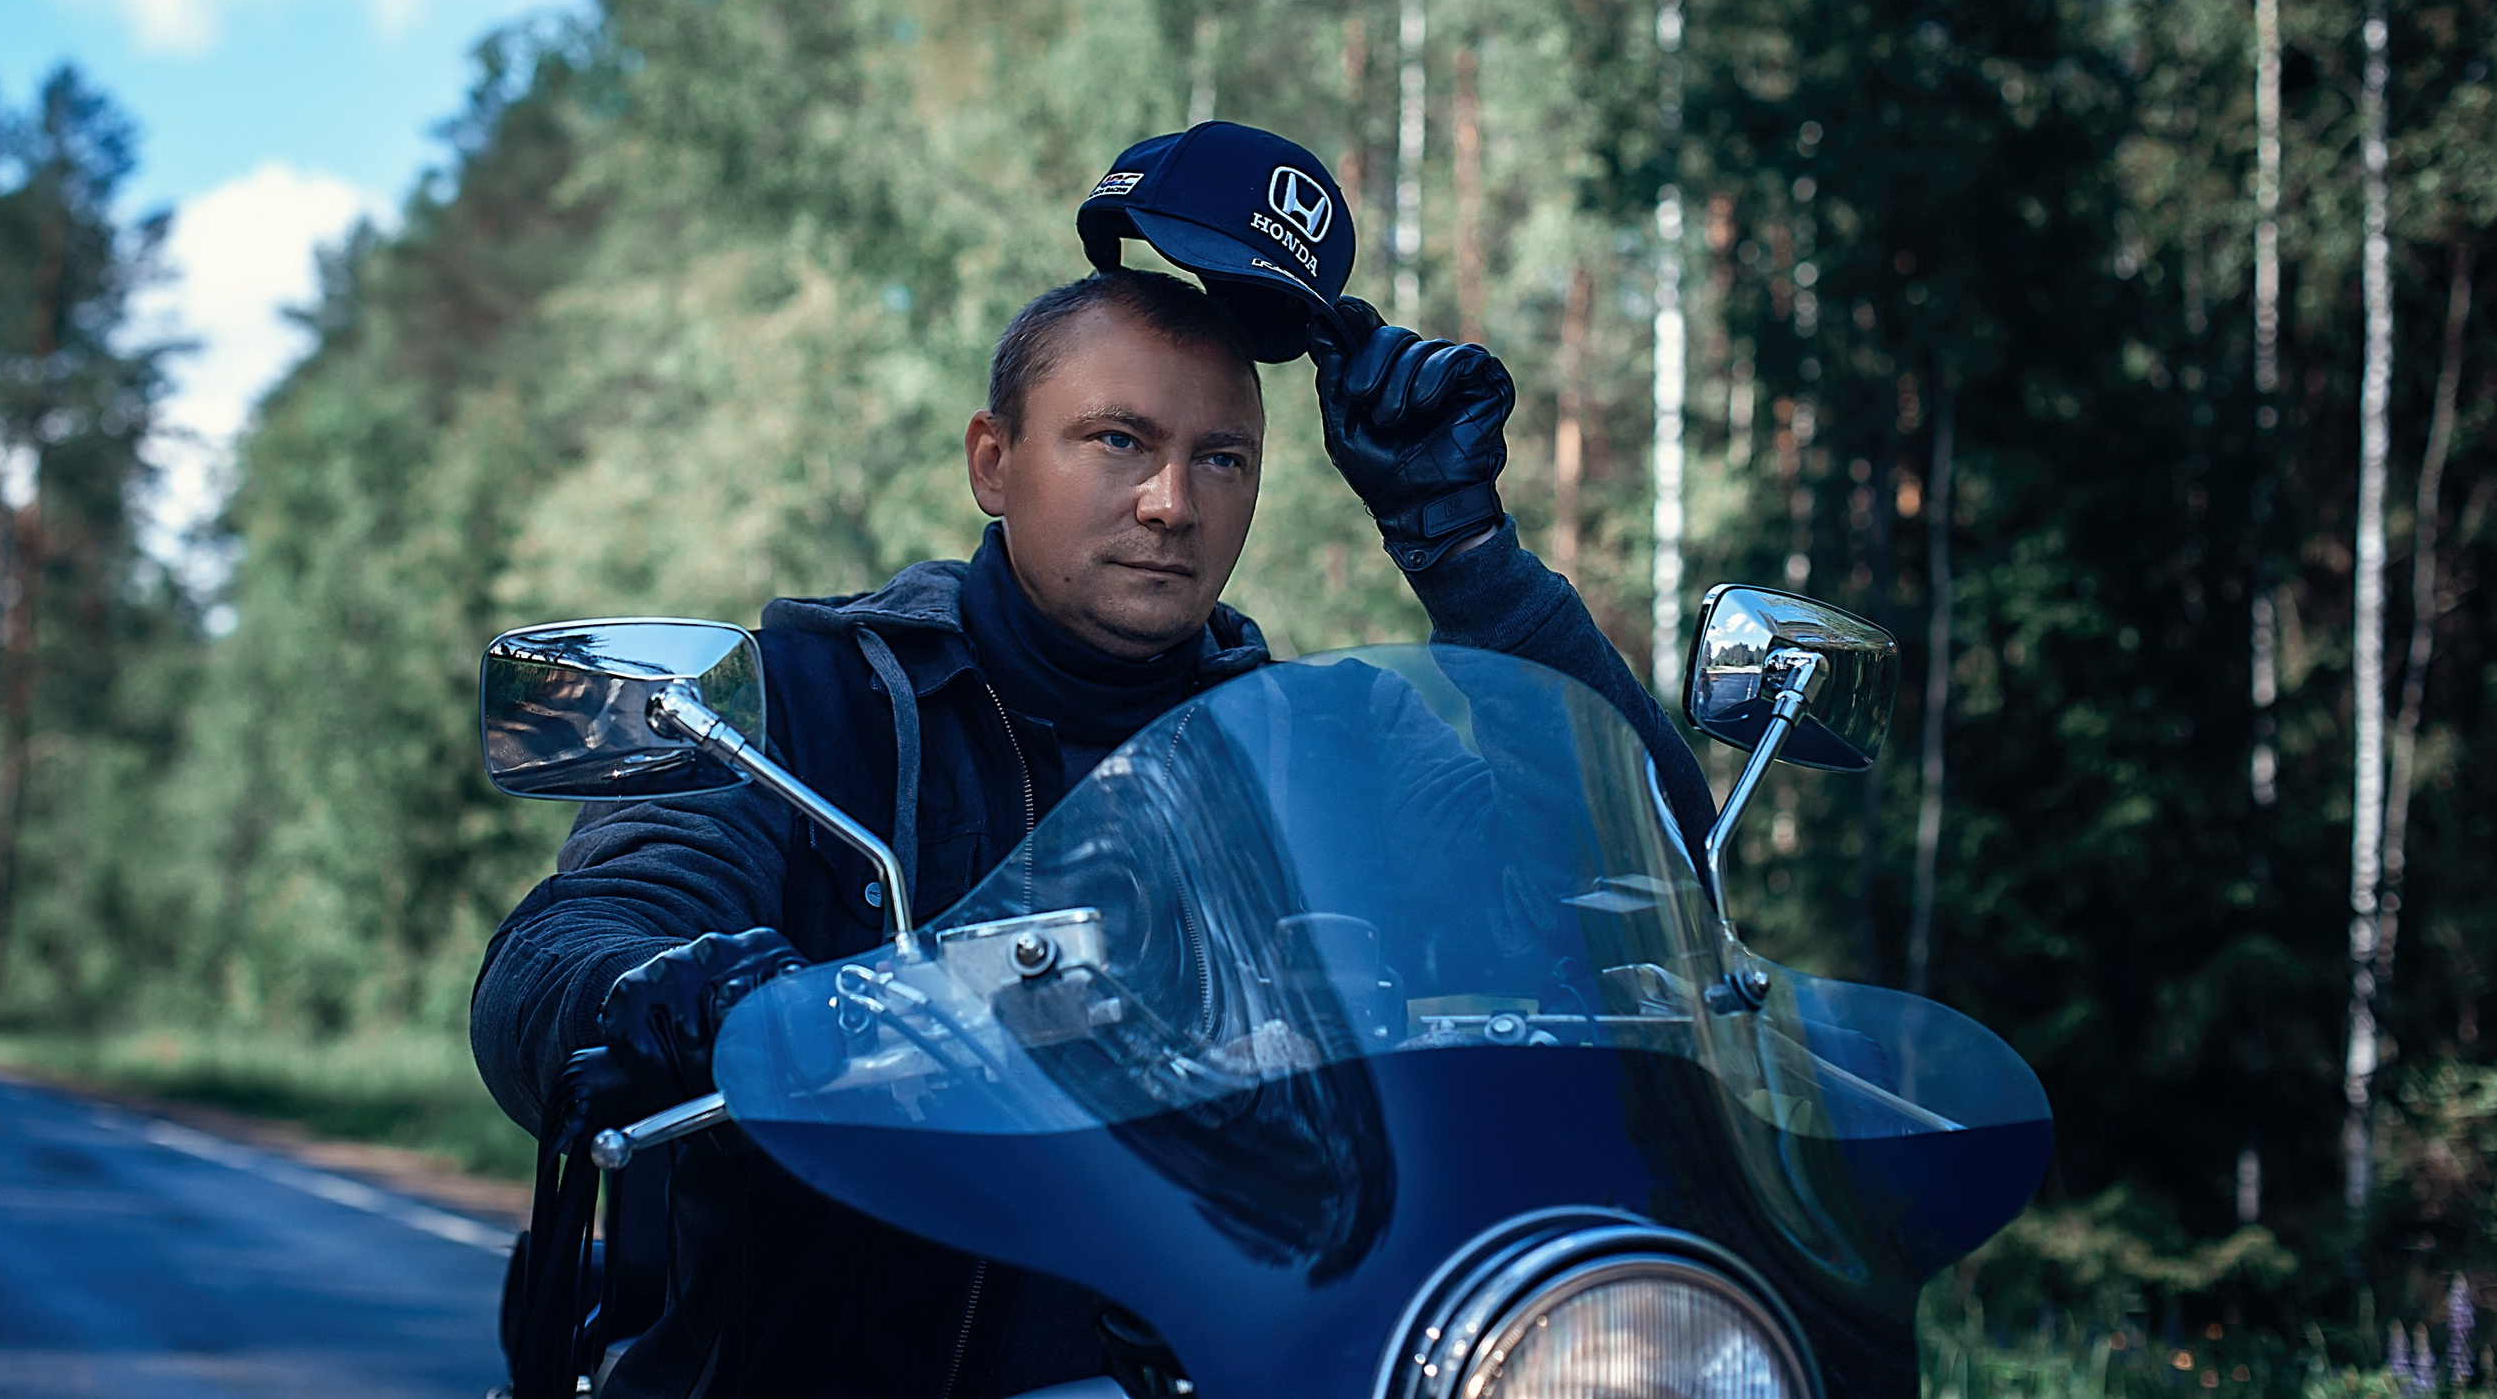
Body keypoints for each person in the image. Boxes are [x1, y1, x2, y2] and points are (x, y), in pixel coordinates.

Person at [471, 122, 1721, 1397]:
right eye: (1118, 440)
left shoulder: (1336, 743)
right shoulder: (807, 701)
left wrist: (1468, 555)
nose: (1173, 502)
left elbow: (1650, 896)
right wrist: (665, 996)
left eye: (1220, 459)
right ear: (992, 460)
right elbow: (568, 945)